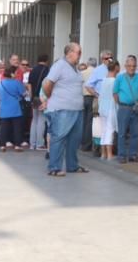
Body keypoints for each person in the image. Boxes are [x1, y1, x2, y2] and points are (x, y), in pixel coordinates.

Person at [43, 43, 88, 176]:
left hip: (76, 109)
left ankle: (72, 165)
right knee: (59, 137)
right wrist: (50, 96)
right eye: (78, 52)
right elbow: (47, 84)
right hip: (62, 109)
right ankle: (54, 168)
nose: (80, 55)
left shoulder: (75, 68)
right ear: (69, 53)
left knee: (74, 139)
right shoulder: (60, 65)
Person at [113, 55, 138, 164]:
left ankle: (133, 155)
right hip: (124, 107)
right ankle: (121, 155)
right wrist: (120, 104)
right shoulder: (120, 77)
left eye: (134, 66)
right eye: (129, 66)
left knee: (135, 133)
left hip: (135, 108)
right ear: (125, 66)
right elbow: (115, 92)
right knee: (122, 133)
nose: (132, 68)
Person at [83, 51, 111, 155]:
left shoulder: (115, 69)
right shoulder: (98, 70)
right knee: (98, 125)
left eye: (110, 58)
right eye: (106, 58)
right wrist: (97, 95)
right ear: (102, 59)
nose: (108, 60)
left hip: (111, 100)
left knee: (110, 124)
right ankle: (97, 148)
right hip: (100, 100)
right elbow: (88, 85)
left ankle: (109, 147)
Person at [0, 64, 27, 151]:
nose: (16, 75)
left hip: (3, 109)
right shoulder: (17, 82)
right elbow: (24, 93)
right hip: (15, 108)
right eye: (15, 73)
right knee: (17, 127)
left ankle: (2, 145)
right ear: (12, 74)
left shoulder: (0, 83)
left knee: (4, 127)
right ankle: (17, 145)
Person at [28, 55, 51, 150]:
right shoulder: (47, 70)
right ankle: (39, 144)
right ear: (46, 61)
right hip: (42, 97)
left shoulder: (33, 70)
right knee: (42, 120)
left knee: (34, 120)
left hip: (34, 98)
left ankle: (32, 144)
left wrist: (31, 97)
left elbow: (29, 85)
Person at [97, 60, 118, 160]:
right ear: (116, 68)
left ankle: (103, 153)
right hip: (111, 107)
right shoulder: (115, 81)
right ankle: (109, 154)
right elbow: (115, 95)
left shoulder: (104, 80)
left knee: (103, 130)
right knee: (110, 130)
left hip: (102, 107)